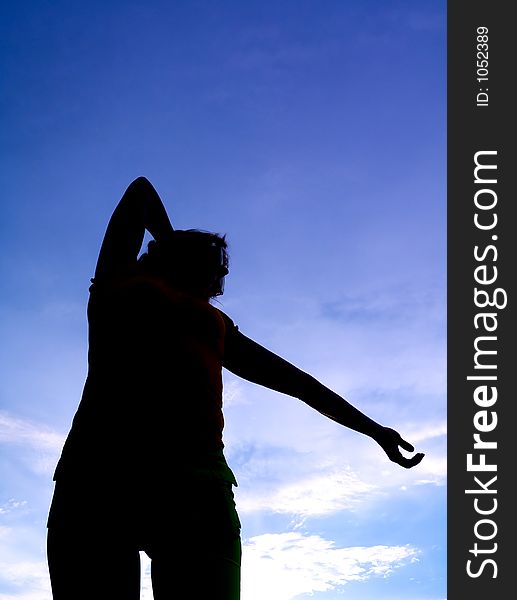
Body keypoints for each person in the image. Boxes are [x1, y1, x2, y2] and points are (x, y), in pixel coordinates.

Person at [46, 176, 424, 600]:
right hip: (99, 481)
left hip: (189, 489)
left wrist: (374, 430)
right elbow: (140, 193)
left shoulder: (216, 326)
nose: (220, 279)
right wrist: (175, 246)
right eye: (215, 268)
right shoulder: (118, 282)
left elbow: (299, 383)